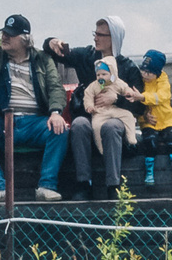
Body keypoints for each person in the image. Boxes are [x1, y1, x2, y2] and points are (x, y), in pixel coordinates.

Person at [0, 14, 71, 202]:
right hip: (2, 122)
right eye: (3, 32)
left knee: (60, 130)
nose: (4, 37)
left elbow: (56, 88)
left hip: (34, 123)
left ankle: (47, 186)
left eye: (10, 34)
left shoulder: (42, 59)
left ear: (25, 39)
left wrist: (55, 112)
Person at [50, 17, 140, 198]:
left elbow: (139, 106)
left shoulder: (128, 67)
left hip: (116, 120)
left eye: (100, 34)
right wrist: (51, 42)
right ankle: (84, 184)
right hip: (90, 116)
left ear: (113, 38)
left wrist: (117, 99)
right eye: (95, 33)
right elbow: (57, 54)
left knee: (111, 126)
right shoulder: (87, 56)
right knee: (79, 124)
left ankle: (113, 186)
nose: (95, 38)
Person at [136, 50, 172, 187]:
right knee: (150, 141)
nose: (145, 75)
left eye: (149, 73)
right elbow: (136, 107)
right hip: (149, 121)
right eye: (143, 71)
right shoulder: (139, 82)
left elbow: (162, 96)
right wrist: (144, 116)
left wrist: (143, 97)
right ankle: (149, 172)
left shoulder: (163, 80)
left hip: (167, 118)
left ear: (157, 73)